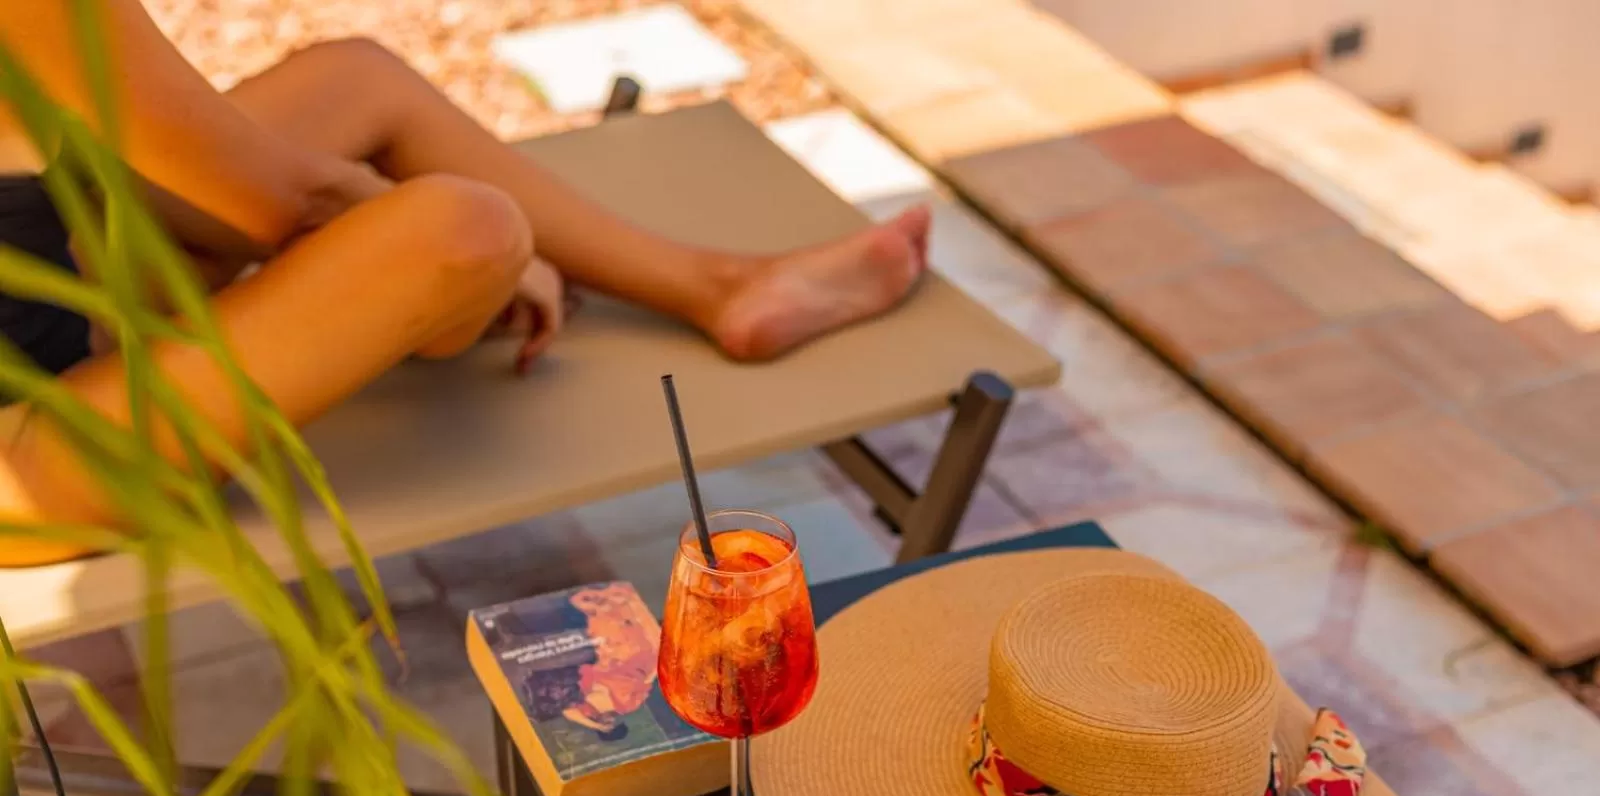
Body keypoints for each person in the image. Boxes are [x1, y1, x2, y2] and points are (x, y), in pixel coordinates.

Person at [0, 2, 931, 566]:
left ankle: (720, 287)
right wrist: (486, 263)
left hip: (52, 281)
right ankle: (490, 293)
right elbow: (289, 200)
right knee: (465, 229)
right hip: (33, 459)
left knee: (353, 81)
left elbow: (199, 169)